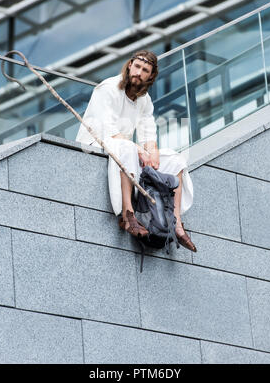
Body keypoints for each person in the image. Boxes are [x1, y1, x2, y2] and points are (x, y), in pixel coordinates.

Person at [75, 50, 196, 252]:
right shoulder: (108, 89)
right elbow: (108, 131)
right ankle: (128, 215)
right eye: (137, 67)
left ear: (150, 76)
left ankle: (176, 222)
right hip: (95, 145)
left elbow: (148, 134)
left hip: (125, 151)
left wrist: (153, 154)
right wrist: (140, 150)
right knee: (127, 146)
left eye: (145, 70)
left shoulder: (144, 100)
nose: (139, 72)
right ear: (130, 65)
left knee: (176, 160)